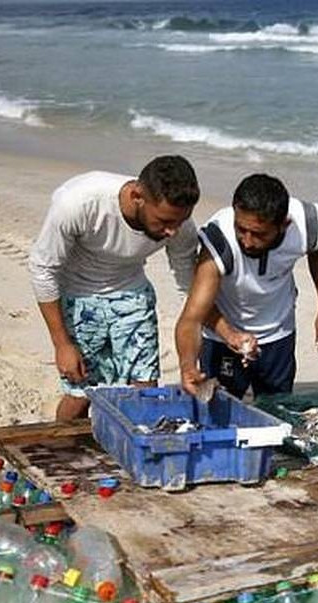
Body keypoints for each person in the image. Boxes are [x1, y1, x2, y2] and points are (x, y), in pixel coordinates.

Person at [28, 155, 200, 421]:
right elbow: (43, 270)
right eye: (164, 221)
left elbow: (188, 285)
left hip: (132, 295)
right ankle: (61, 449)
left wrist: (210, 340)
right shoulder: (79, 203)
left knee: (144, 393)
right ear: (137, 196)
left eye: (179, 222)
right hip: (79, 296)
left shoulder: (180, 224)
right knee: (80, 395)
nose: (172, 232)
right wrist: (62, 344)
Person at [175, 173, 318, 399]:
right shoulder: (220, 241)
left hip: (279, 335)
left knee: (276, 410)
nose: (247, 241)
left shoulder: (305, 224)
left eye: (259, 234)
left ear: (284, 225)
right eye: (241, 229)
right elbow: (193, 316)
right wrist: (188, 365)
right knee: (217, 413)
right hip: (221, 338)